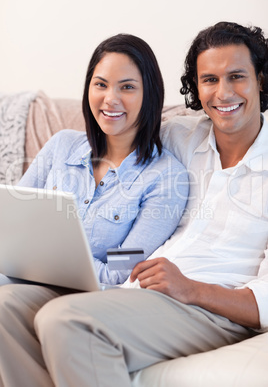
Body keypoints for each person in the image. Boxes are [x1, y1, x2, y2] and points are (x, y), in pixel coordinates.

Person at [0, 21, 267, 387]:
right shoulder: (182, 137)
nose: (222, 93)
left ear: (261, 80)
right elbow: (123, 129)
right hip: (147, 292)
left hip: (210, 306)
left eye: (237, 76)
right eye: (209, 80)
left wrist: (191, 289)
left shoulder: (167, 171)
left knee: (64, 319)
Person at [13, 33, 188, 285]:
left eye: (127, 87)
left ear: (149, 94)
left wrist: (47, 256)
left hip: (84, 294)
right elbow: (11, 225)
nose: (110, 99)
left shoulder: (167, 177)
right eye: (101, 84)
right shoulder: (61, 145)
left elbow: (120, 272)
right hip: (22, 275)